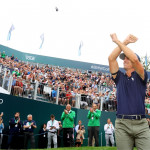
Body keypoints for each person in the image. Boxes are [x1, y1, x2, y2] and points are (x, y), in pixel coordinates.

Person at [108, 33, 150, 150]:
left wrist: (118, 42)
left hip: (141, 124)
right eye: (124, 58)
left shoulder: (142, 75)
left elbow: (135, 59)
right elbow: (111, 58)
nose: (124, 60)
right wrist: (124, 42)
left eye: (127, 58)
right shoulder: (119, 77)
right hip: (122, 124)